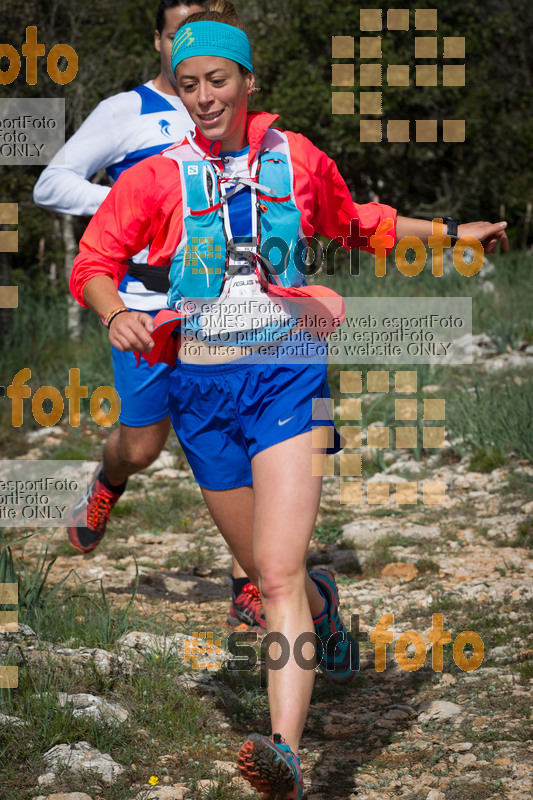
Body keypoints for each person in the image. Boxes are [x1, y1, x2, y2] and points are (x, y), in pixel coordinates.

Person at [69, 1, 509, 796]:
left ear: (247, 79)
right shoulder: (153, 177)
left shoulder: (297, 159)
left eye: (219, 80)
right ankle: (324, 609)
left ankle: (284, 753)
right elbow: (95, 262)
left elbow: (358, 223)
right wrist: (118, 311)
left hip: (286, 375)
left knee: (272, 576)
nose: (204, 97)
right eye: (189, 83)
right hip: (198, 390)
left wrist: (451, 232)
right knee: (271, 572)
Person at [33, 0, 265, 632]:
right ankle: (109, 482)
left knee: (240, 437)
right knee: (141, 447)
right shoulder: (124, 112)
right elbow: (50, 185)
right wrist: (134, 203)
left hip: (221, 307)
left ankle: (252, 582)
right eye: (178, 35)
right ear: (159, 40)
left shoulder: (227, 104)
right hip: (142, 303)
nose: (191, 46)